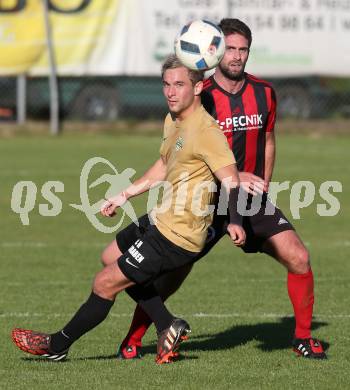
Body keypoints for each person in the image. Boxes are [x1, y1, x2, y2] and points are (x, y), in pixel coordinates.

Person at [112, 18, 327, 360]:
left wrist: (264, 185)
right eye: (231, 49)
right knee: (169, 275)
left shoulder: (265, 93)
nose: (237, 56)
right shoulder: (201, 96)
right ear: (214, 52)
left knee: (299, 257)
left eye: (244, 50)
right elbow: (179, 155)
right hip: (206, 203)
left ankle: (302, 338)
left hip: (250, 202)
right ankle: (133, 340)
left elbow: (269, 140)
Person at [11, 54, 245, 364]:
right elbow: (165, 163)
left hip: (178, 234)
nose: (170, 92)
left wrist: (236, 221)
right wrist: (126, 194)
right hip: (162, 218)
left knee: (105, 283)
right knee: (110, 256)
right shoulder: (174, 119)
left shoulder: (206, 132)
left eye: (179, 85)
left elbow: (232, 180)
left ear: (198, 87)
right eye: (166, 84)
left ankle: (57, 345)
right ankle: (166, 324)